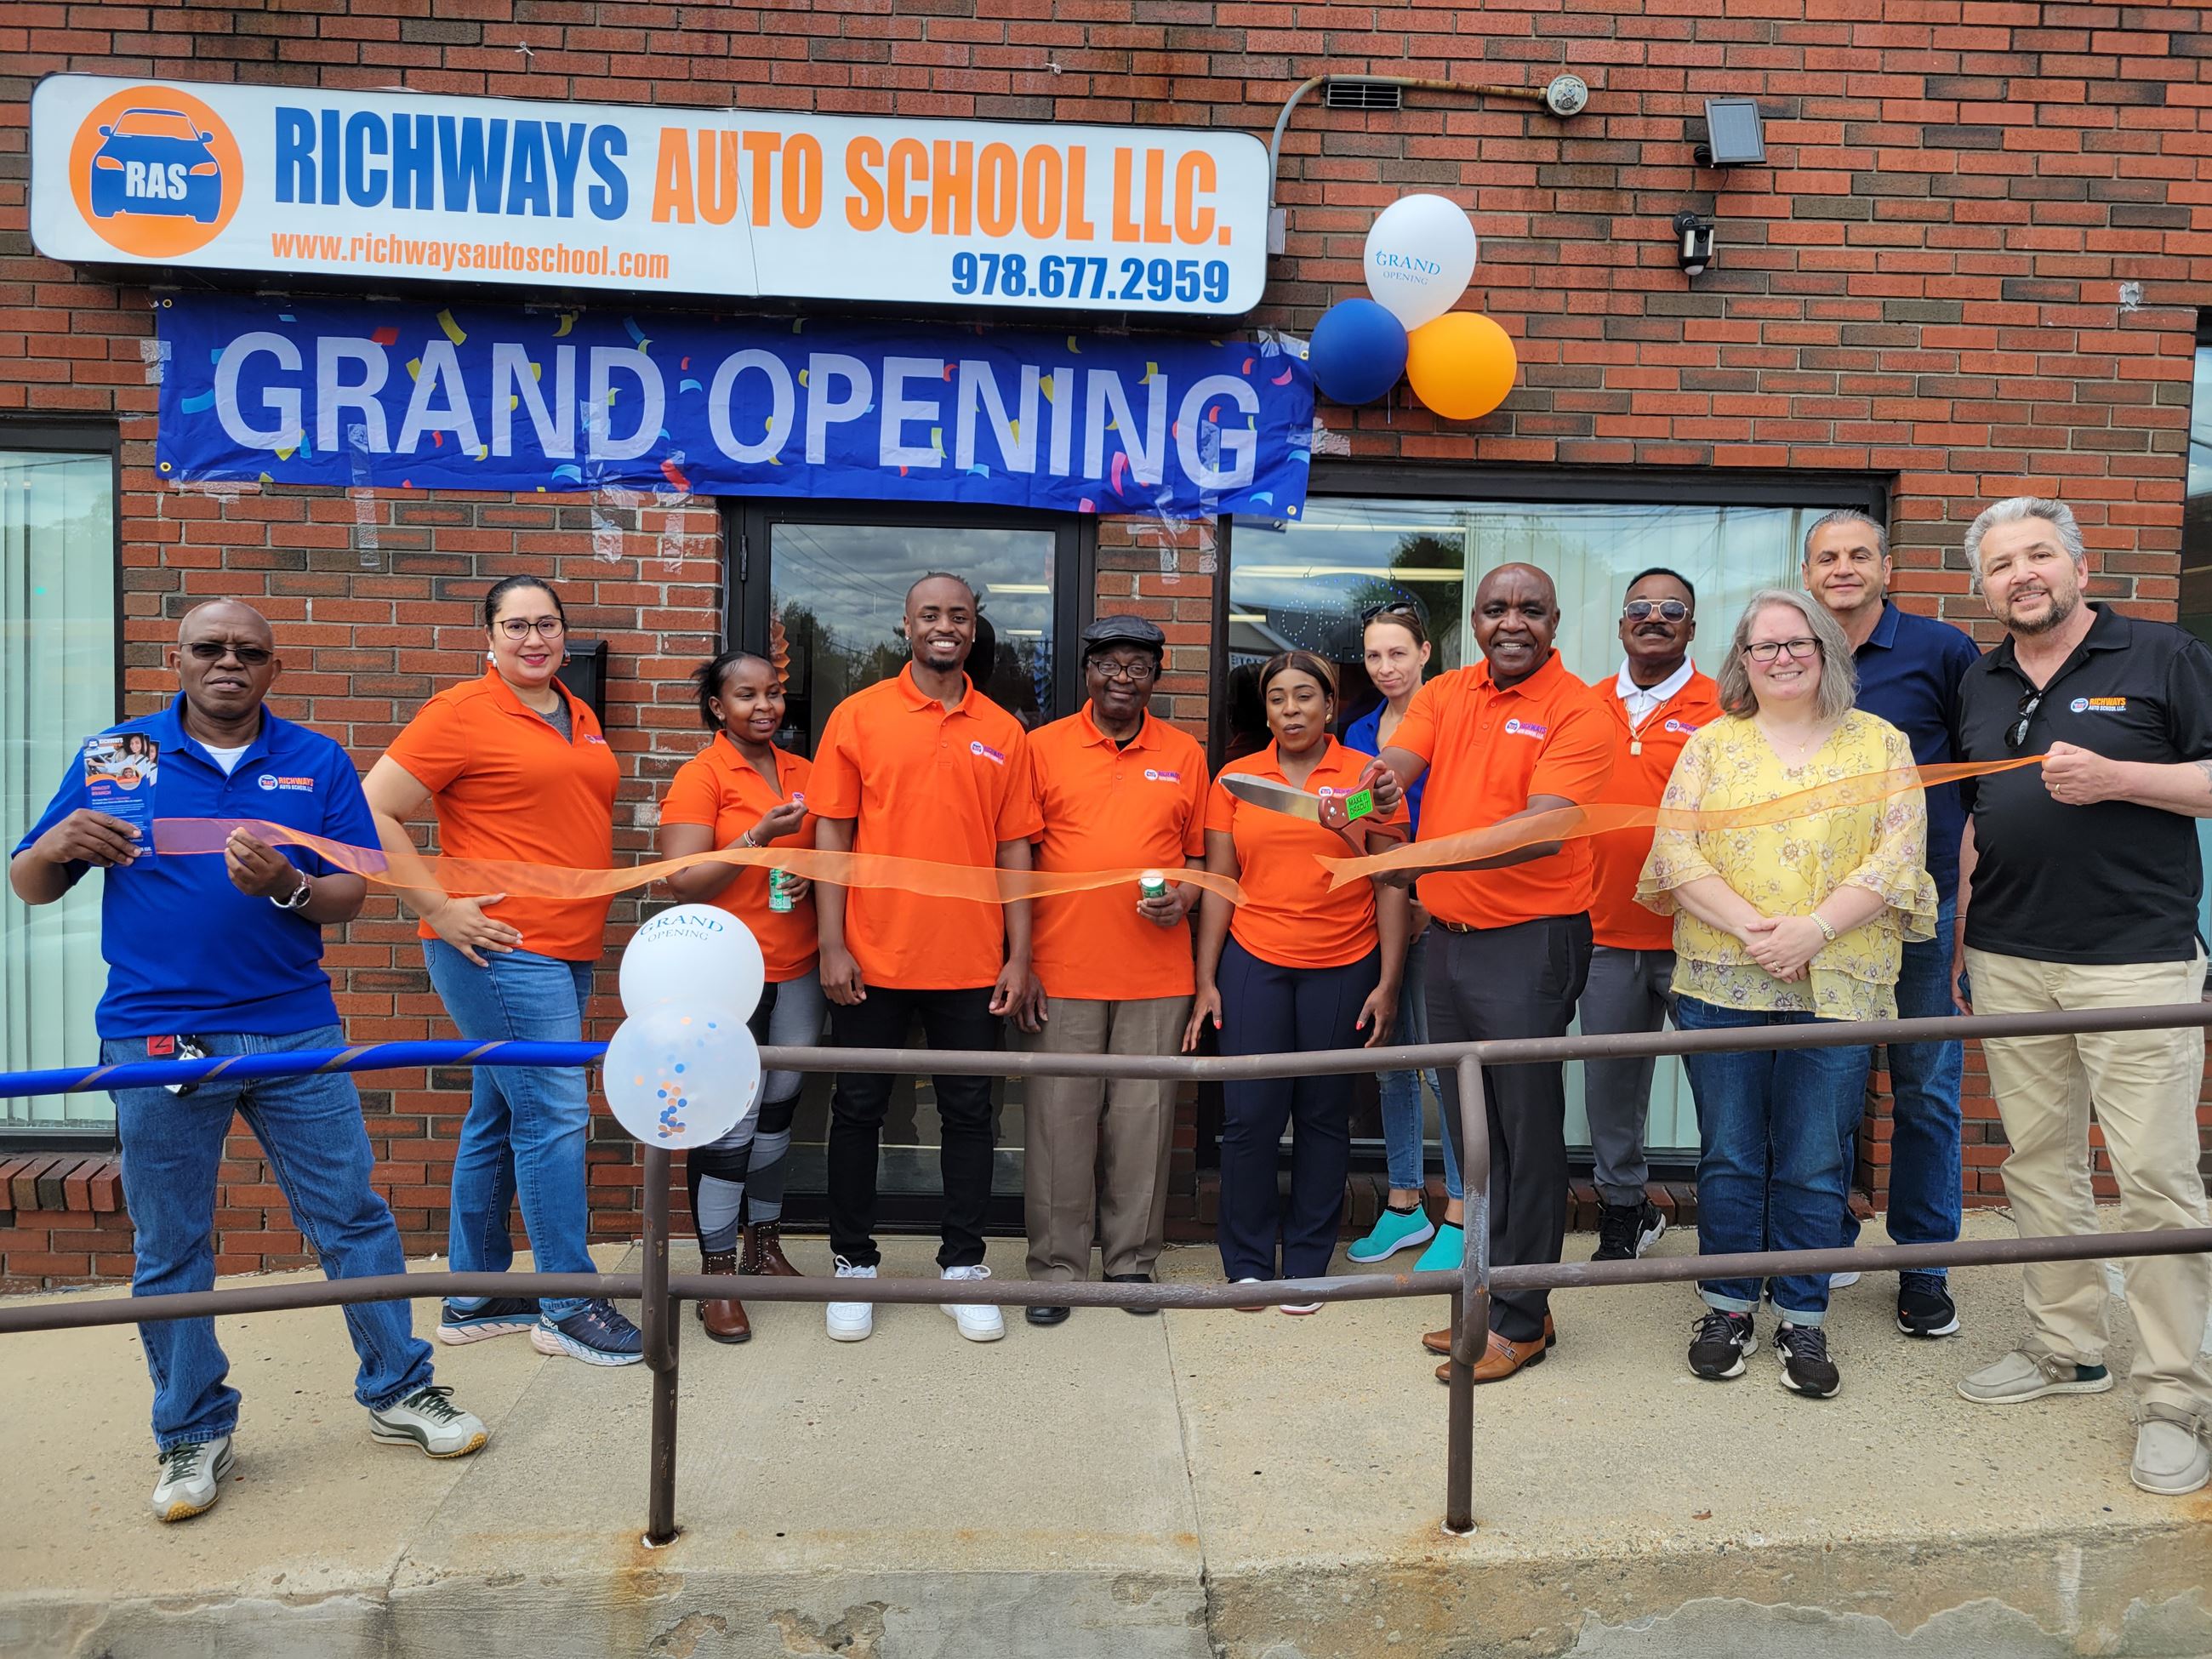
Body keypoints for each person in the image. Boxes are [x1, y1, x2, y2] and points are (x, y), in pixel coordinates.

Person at [9, 600, 487, 1524]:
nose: (228, 662)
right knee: (172, 1244)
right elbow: (32, 883)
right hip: (154, 1036)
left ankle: (399, 1388)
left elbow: (347, 894)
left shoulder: (312, 761)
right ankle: (191, 1428)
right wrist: (55, 843)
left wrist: (289, 886)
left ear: (273, 669)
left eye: (249, 652)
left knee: (351, 1216)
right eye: (209, 648)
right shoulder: (122, 756)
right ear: (177, 659)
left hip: (293, 1028)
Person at [1948, 495, 2212, 1497]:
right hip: (2011, 958)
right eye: (2000, 564)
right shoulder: (1981, 678)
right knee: (2039, 1167)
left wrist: (2119, 778)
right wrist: (1965, 932)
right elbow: (1979, 813)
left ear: (2076, 564)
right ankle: (2067, 1350)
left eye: (2037, 554)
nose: (2021, 574)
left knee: (2151, 1181)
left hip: (2134, 960)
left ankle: (2174, 1398)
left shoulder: (2160, 655)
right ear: (1982, 589)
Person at [1638, 589, 1934, 1401]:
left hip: (1839, 981)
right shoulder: (1710, 747)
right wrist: (1756, 932)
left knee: (1813, 1160)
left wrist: (1816, 930)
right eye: (1763, 647)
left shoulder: (1880, 744)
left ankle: (1803, 1314)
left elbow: (1899, 853)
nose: (1781, 658)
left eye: (1797, 643)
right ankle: (1728, 1306)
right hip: (1722, 981)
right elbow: (1677, 854)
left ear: (1827, 652)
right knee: (1730, 1153)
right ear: (1743, 660)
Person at [363, 576, 641, 1367]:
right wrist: (439, 907)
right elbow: (371, 807)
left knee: (500, 1111)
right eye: (515, 626)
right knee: (555, 1114)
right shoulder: (461, 712)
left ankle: (476, 1291)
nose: (533, 639)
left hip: (567, 946)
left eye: (546, 624)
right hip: (500, 949)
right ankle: (567, 1304)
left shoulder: (574, 712)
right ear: (487, 637)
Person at [1363, 564, 1613, 1384]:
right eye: (1496, 608)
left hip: (1532, 942)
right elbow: (1396, 766)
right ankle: (1488, 1297)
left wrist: (1423, 852)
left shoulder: (1579, 709)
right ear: (1474, 619)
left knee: (1524, 1133)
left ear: (1555, 619)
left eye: (1530, 610)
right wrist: (1358, 804)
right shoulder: (1449, 693)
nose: (1512, 622)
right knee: (1476, 1134)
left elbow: (1542, 830)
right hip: (1454, 939)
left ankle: (1522, 1316)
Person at [808, 573, 1045, 1344]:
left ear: (974, 631)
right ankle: (853, 1265)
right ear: (906, 625)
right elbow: (832, 835)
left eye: (960, 616)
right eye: (931, 615)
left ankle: (963, 1267)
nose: (945, 626)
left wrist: (1020, 954)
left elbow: (1016, 848)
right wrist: (833, 941)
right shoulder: (858, 716)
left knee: (971, 1116)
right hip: (870, 958)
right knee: (857, 1112)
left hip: (972, 962)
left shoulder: (1003, 730)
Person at [1803, 508, 1981, 1339]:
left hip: (1920, 909)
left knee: (1925, 1091)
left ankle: (1923, 1266)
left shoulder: (1940, 652)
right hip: (1821, 918)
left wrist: (1963, 924)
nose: (1842, 569)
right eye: (1826, 558)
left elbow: (1981, 787)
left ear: (1885, 567)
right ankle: (1828, 1237)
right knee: (1827, 1086)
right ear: (1807, 575)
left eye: (1857, 556)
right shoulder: (1788, 655)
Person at [1187, 650, 1408, 1313]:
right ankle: (1250, 1264)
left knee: (1321, 1118)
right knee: (1250, 1119)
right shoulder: (1235, 779)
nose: (1291, 709)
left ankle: (1308, 1262)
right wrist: (1206, 979)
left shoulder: (1366, 779)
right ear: (1266, 710)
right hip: (1254, 959)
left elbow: (1391, 881)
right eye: (1278, 698)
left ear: (1330, 705)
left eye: (1305, 696)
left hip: (1344, 962)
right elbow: (1221, 886)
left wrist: (1390, 981)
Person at [1016, 616, 1208, 1325]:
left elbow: (1197, 857)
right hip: (1060, 968)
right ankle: (1056, 1272)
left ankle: (1131, 1264)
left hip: (1156, 973)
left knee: (1142, 1125)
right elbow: (1018, 855)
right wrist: (1022, 959)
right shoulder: (1042, 749)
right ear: (1087, 672)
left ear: (1156, 678)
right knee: (1059, 1125)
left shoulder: (1185, 754)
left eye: (1138, 667)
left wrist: (1184, 897)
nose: (1122, 678)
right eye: (1109, 665)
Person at [656, 649, 824, 1343]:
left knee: (779, 1113)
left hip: (799, 967)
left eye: (775, 694)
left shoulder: (805, 773)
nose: (765, 707)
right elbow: (684, 881)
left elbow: (828, 854)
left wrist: (811, 875)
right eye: (747, 696)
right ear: (717, 709)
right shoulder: (701, 776)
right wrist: (757, 837)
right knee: (729, 1124)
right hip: (725, 974)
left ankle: (764, 1246)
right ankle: (716, 1275)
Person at [1580, 568, 1721, 1262]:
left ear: (1692, 628)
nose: (1655, 617)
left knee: (1721, 1088)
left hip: (1699, 939)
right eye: (1640, 607)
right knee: (1609, 1091)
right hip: (1602, 934)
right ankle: (1624, 1211)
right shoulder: (1584, 705)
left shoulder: (1726, 708)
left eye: (1673, 609)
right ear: (1620, 625)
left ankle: (1732, 1224)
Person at [1341, 603, 1464, 1271]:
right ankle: (1405, 1205)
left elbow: (1465, 815)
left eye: (1397, 653)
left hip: (1441, 913)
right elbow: (1362, 812)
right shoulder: (1359, 730)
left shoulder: (1452, 721)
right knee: (1390, 1058)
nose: (1385, 667)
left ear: (1424, 654)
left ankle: (1462, 1210)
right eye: (1374, 656)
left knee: (1446, 1068)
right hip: (1373, 915)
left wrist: (1422, 896)